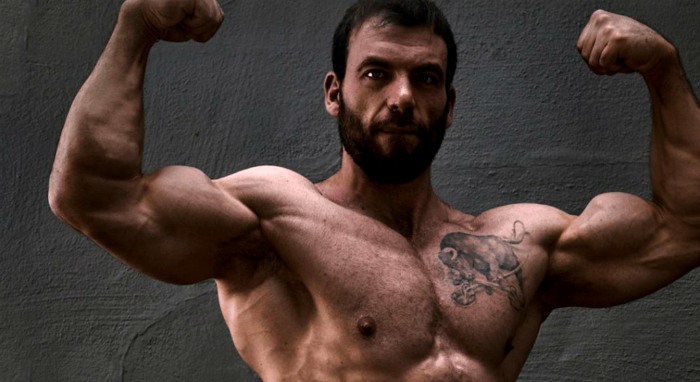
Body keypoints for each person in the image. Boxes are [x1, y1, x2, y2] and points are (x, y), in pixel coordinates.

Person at [48, 0, 700, 380]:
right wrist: (136, 28)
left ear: (449, 106)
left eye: (426, 79)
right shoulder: (272, 218)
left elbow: (683, 228)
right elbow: (92, 195)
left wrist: (663, 69)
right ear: (336, 93)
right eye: (377, 74)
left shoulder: (520, 246)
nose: (402, 98)